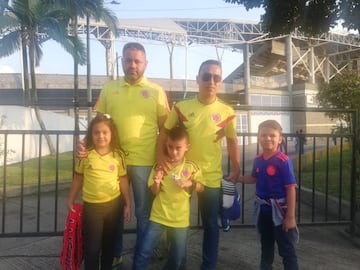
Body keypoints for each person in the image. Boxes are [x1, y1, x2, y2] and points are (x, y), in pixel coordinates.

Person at [76, 42, 170, 264]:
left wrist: (162, 158)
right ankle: (115, 257)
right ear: (122, 61)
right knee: (114, 214)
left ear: (145, 63)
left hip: (144, 161)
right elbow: (97, 124)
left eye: (137, 61)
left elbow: (165, 128)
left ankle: (141, 259)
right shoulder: (110, 88)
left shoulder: (156, 91)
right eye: (128, 60)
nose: (133, 65)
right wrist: (84, 143)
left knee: (143, 214)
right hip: (112, 161)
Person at [157, 59, 240, 270]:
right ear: (197, 80)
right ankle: (176, 263)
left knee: (211, 225)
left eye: (216, 77)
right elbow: (165, 132)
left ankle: (208, 266)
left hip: (209, 177)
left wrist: (237, 166)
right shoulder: (181, 107)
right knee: (173, 223)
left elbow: (231, 141)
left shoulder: (227, 112)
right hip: (180, 174)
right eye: (206, 76)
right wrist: (160, 157)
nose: (211, 81)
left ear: (220, 82)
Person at [133, 125, 204, 270]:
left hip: (180, 221)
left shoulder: (191, 167)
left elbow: (202, 187)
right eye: (170, 147)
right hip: (158, 217)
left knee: (177, 258)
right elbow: (154, 191)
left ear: (187, 147)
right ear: (166, 145)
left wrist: (190, 183)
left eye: (178, 148)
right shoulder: (160, 166)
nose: (174, 152)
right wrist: (157, 182)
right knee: (143, 252)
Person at [67, 113, 131, 270]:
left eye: (105, 132)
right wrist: (71, 199)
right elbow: (77, 177)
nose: (100, 136)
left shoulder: (118, 155)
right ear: (91, 134)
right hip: (92, 208)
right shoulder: (85, 154)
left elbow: (123, 180)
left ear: (111, 134)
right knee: (92, 249)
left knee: (108, 247)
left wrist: (128, 203)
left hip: (113, 207)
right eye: (96, 133)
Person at [237, 119, 299, 270]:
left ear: (280, 138)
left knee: (287, 250)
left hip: (281, 212)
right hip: (264, 212)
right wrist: (237, 177)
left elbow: (291, 188)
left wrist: (290, 217)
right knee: (266, 247)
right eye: (263, 135)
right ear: (258, 137)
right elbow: (253, 178)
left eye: (272, 135)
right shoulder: (258, 160)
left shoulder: (282, 161)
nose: (267, 138)